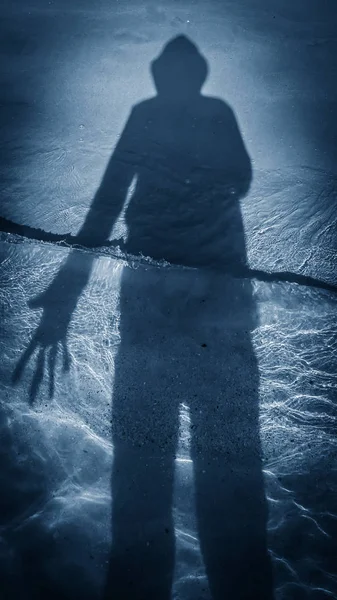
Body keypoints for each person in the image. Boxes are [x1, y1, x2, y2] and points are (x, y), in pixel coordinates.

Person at [13, 36, 273, 599]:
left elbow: (108, 201)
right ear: (197, 74)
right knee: (230, 482)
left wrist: (67, 291)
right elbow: (244, 181)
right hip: (219, 305)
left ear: (163, 75)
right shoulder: (217, 112)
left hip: (152, 305)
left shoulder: (146, 114)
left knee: (142, 478)